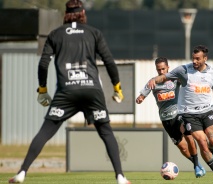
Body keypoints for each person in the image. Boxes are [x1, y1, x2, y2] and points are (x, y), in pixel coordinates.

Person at [8, 0, 130, 184]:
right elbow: (109, 61)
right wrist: (117, 88)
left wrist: (42, 89)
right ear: (83, 14)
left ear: (66, 14)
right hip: (92, 90)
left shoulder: (55, 34)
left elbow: (43, 63)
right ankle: (120, 177)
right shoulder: (94, 33)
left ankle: (22, 173)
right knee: (105, 131)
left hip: (67, 92)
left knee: (46, 131)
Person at [147, 45, 213, 180]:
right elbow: (164, 77)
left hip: (207, 111)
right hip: (189, 114)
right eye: (193, 58)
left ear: (205, 59)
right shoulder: (183, 70)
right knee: (201, 142)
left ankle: (211, 154)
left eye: (197, 59)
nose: (194, 61)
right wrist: (154, 80)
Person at [136, 57, 206, 178]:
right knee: (183, 148)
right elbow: (143, 94)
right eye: (159, 70)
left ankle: (197, 167)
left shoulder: (174, 79)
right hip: (166, 120)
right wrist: (140, 98)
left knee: (188, 136)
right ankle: (198, 164)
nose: (162, 72)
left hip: (178, 114)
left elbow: (187, 80)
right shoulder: (153, 82)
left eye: (163, 69)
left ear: (168, 67)